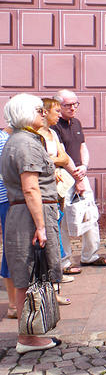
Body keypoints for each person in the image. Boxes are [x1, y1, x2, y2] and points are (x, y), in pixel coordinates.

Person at [0, 94, 63, 353]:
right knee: (28, 272)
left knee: (29, 272)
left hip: (25, 213)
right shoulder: (25, 143)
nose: (43, 113)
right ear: (27, 113)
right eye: (39, 110)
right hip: (29, 214)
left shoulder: (19, 140)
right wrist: (41, 226)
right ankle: (27, 338)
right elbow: (30, 189)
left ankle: (31, 334)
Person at [52, 90, 106, 268]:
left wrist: (84, 166)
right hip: (64, 177)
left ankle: (90, 255)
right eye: (67, 105)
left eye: (75, 104)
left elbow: (83, 146)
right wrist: (77, 178)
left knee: (90, 215)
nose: (72, 108)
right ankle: (65, 261)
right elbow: (62, 154)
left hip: (80, 174)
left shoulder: (76, 123)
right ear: (58, 106)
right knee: (63, 221)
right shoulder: (55, 127)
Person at [37, 98, 74, 305]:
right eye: (56, 111)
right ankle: (51, 286)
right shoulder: (38, 135)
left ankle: (56, 275)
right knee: (49, 236)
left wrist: (53, 161)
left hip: (58, 188)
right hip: (45, 190)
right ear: (46, 112)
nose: (59, 114)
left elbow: (63, 158)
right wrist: (53, 162)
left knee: (57, 228)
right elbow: (44, 160)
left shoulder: (53, 133)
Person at [0, 125, 15, 319]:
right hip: (8, 199)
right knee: (12, 249)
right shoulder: (4, 140)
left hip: (10, 199)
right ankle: (13, 305)